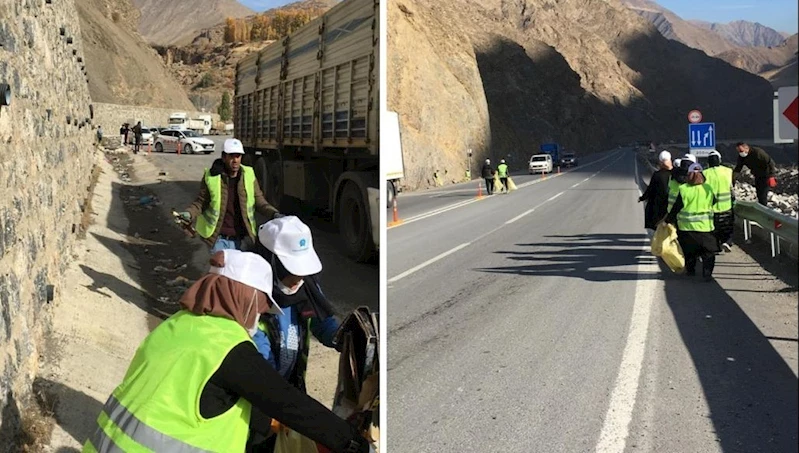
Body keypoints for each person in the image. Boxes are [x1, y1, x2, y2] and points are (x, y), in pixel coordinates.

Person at [82, 250, 374, 453]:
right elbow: (288, 403)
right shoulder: (229, 347)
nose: (259, 316)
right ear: (242, 296)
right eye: (259, 306)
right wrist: (351, 442)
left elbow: (203, 396)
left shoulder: (174, 326)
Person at [248, 216, 345, 451]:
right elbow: (259, 366)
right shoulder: (251, 297)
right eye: (293, 271)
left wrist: (344, 336)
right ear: (271, 262)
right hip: (258, 400)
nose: (299, 278)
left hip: (290, 389)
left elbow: (322, 323)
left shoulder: (307, 287)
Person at [178, 138, 280, 253]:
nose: (235, 160)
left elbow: (260, 201)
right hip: (219, 240)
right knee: (221, 271)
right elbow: (201, 202)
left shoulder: (249, 175)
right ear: (224, 157)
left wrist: (274, 213)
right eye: (231, 156)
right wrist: (189, 213)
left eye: (238, 156)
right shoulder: (212, 177)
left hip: (242, 240)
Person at [664, 163, 719, 281]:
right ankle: (707, 273)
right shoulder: (708, 188)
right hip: (705, 227)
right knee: (708, 252)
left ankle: (691, 270)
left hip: (686, 228)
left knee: (689, 251)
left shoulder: (683, 189)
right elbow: (714, 202)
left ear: (689, 175)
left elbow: (676, 207)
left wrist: (668, 220)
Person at [704, 150, 735, 252]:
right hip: (726, 206)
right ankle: (727, 242)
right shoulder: (728, 171)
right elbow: (731, 188)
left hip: (711, 208)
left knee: (714, 229)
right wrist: (733, 200)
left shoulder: (705, 173)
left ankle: (716, 245)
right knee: (728, 226)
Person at [733, 142, 777, 206]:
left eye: (741, 151)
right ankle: (762, 206)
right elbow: (738, 168)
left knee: (763, 194)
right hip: (757, 175)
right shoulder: (741, 157)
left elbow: (770, 162)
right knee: (759, 193)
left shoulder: (758, 152)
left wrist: (772, 176)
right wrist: (733, 178)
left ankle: (764, 208)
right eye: (738, 151)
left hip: (766, 175)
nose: (740, 153)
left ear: (746, 148)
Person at [639, 150, 673, 230]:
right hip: (671, 205)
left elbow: (650, 189)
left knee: (658, 226)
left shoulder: (657, 175)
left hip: (659, 206)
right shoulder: (675, 174)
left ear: (660, 162)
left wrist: (642, 198)